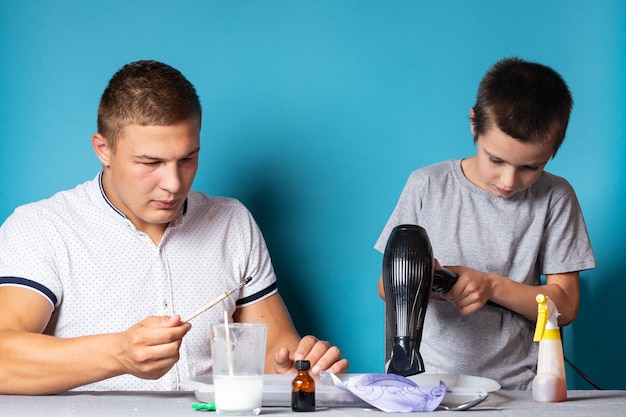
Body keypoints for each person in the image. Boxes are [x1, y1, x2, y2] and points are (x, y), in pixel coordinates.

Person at [0, 60, 348, 395]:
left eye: (187, 158)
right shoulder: (41, 228)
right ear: (103, 149)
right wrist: (118, 353)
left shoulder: (232, 222)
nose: (173, 183)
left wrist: (298, 366)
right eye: (150, 162)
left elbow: (276, 349)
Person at [374, 57, 595, 390]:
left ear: (552, 151)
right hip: (424, 386)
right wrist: (429, 281)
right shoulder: (427, 185)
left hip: (519, 388)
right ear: (474, 124)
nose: (509, 180)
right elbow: (385, 287)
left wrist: (491, 286)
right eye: (496, 160)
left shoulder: (556, 197)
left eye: (530, 168)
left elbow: (565, 306)